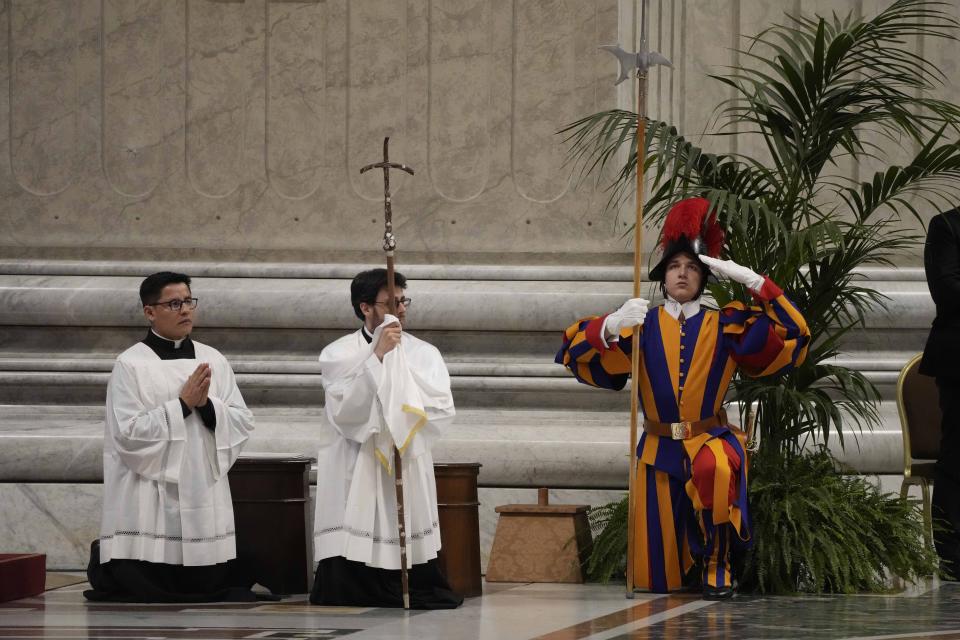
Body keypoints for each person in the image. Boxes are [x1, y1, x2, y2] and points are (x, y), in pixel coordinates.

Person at [556, 198, 810, 599]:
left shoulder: (727, 323)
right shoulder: (639, 325)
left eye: (692, 267)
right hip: (658, 447)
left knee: (717, 467)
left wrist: (758, 284)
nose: (682, 273)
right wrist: (609, 326)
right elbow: (573, 354)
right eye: (675, 266)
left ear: (703, 278)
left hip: (708, 439)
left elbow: (794, 337)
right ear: (663, 276)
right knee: (656, 581)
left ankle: (717, 564)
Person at [84, 272, 256, 602]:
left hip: (199, 477)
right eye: (174, 303)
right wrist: (181, 405)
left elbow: (241, 420)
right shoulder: (131, 364)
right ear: (150, 311)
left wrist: (207, 407)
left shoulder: (213, 359)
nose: (185, 311)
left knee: (209, 571)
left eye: (189, 301)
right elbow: (127, 433)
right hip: (149, 486)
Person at [310, 268, 462, 609]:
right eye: (392, 302)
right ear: (366, 308)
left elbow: (441, 408)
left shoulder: (425, 353)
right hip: (357, 456)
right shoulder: (338, 353)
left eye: (404, 300)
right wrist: (377, 357)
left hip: (403, 455)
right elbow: (345, 410)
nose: (402, 308)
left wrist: (401, 423)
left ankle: (411, 582)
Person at [919, 207, 960, 580]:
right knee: (958, 454)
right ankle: (953, 556)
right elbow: (947, 289)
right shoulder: (946, 226)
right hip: (958, 359)